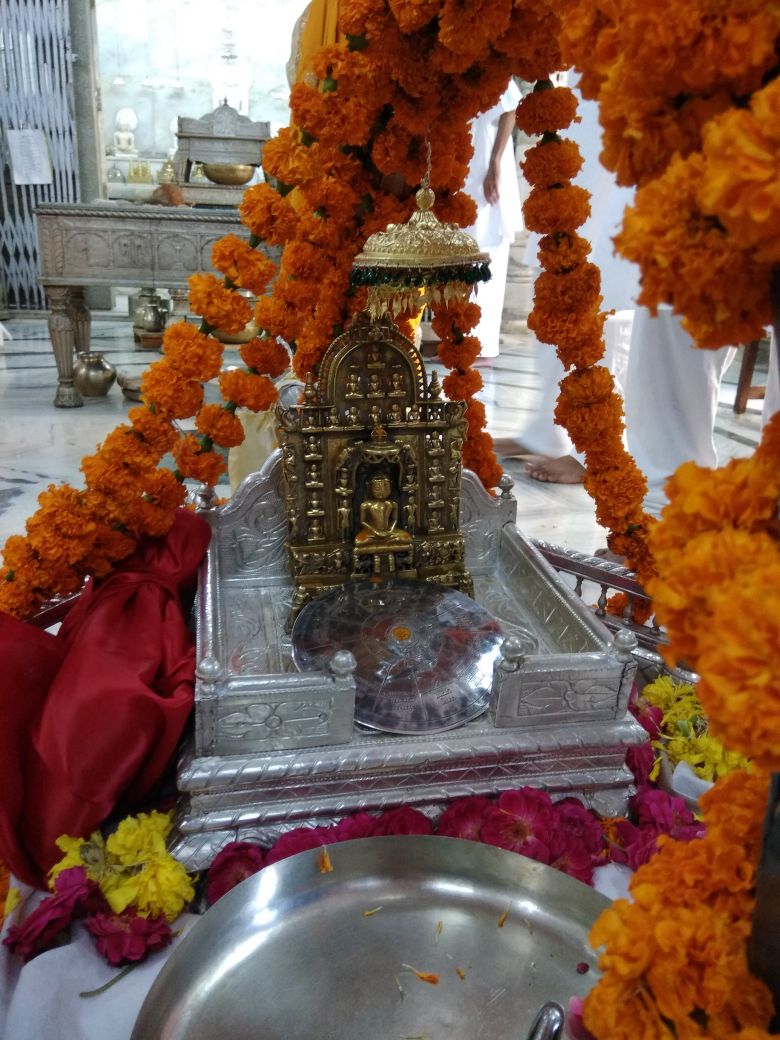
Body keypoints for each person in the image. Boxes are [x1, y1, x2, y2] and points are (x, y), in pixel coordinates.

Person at [462, 79, 524, 359]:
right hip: (460, 162)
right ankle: (458, 340)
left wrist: (496, 162)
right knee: (459, 249)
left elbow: (511, 111)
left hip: (485, 160)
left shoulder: (493, 69)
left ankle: (481, 343)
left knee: (486, 247)